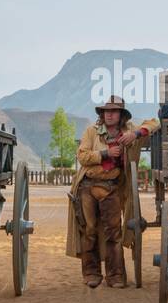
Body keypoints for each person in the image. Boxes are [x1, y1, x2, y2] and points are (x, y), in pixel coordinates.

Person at [64, 96, 158, 288]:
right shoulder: (92, 131)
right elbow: (82, 156)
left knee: (113, 232)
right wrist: (105, 154)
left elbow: (155, 123)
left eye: (114, 112)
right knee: (88, 230)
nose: (109, 115)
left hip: (112, 186)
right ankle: (91, 273)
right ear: (102, 114)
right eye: (107, 111)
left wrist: (137, 134)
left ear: (121, 115)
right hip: (88, 186)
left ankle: (115, 276)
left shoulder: (128, 131)